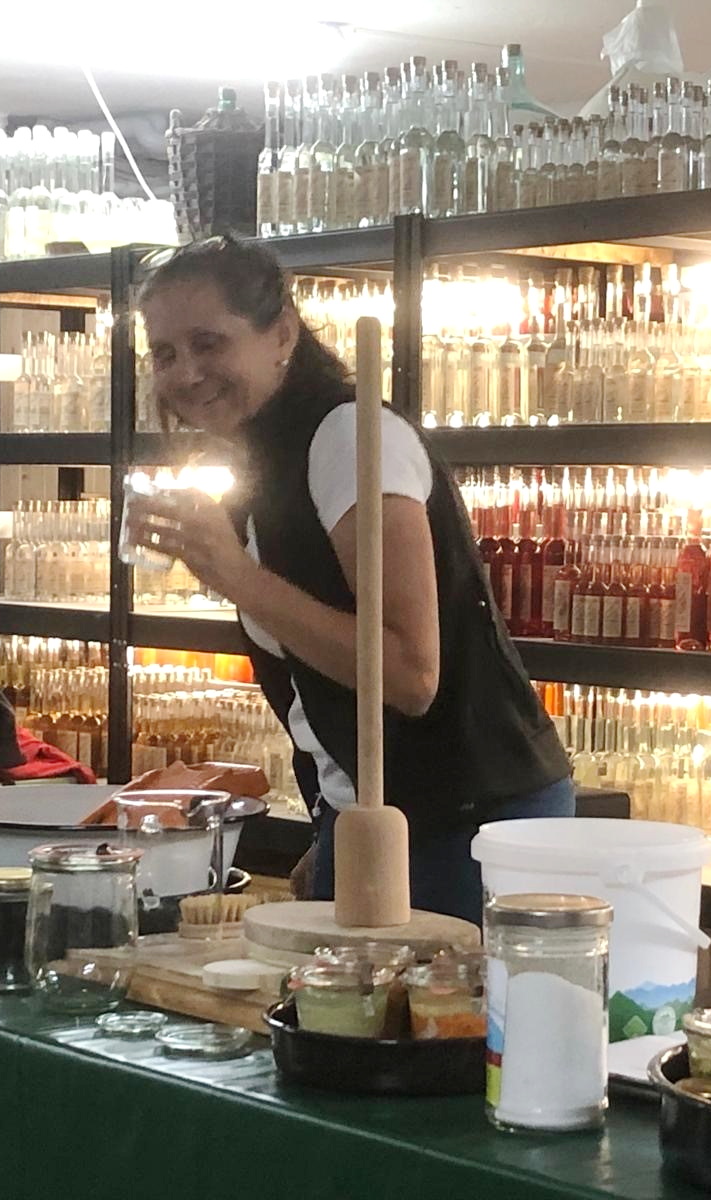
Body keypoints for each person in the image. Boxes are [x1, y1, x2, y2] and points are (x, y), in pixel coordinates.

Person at [125, 237, 571, 925]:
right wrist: (329, 820)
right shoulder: (262, 461)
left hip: (469, 822)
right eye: (165, 354)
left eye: (209, 343)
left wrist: (236, 576)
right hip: (369, 813)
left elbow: (411, 674)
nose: (187, 373)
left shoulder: (349, 438)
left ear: (282, 334)